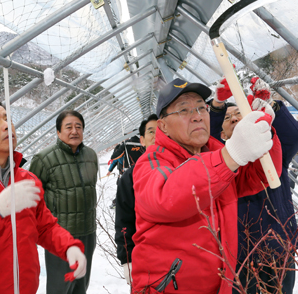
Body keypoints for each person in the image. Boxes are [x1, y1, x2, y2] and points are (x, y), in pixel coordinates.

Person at [131, 78, 282, 294]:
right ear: (162, 125)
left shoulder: (213, 152)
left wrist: (264, 129)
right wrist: (230, 155)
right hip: (169, 287)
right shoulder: (152, 161)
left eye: (202, 107)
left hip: (221, 284)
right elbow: (167, 197)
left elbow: (260, 175)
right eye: (184, 110)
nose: (197, 116)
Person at [0, 99, 86, 294]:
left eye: (8, 119)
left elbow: (45, 226)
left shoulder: (26, 179)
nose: (7, 125)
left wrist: (69, 247)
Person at [209, 76, 298, 294]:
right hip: (240, 252)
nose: (233, 117)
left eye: (238, 114)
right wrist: (216, 108)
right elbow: (208, 141)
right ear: (222, 134)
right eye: (227, 117)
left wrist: (272, 109)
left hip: (278, 246)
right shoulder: (220, 162)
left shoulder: (272, 152)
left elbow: (293, 136)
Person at [29, 110, 97, 294]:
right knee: (61, 287)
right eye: (69, 127)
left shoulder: (91, 156)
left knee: (81, 284)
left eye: (79, 127)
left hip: (88, 232)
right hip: (60, 235)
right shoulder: (44, 159)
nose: (74, 131)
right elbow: (32, 198)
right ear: (58, 132)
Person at [114, 114, 157, 286]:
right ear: (142, 140)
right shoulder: (131, 177)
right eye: (151, 131)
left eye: (161, 130)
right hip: (146, 257)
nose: (156, 135)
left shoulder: (183, 167)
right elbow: (123, 220)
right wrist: (127, 259)